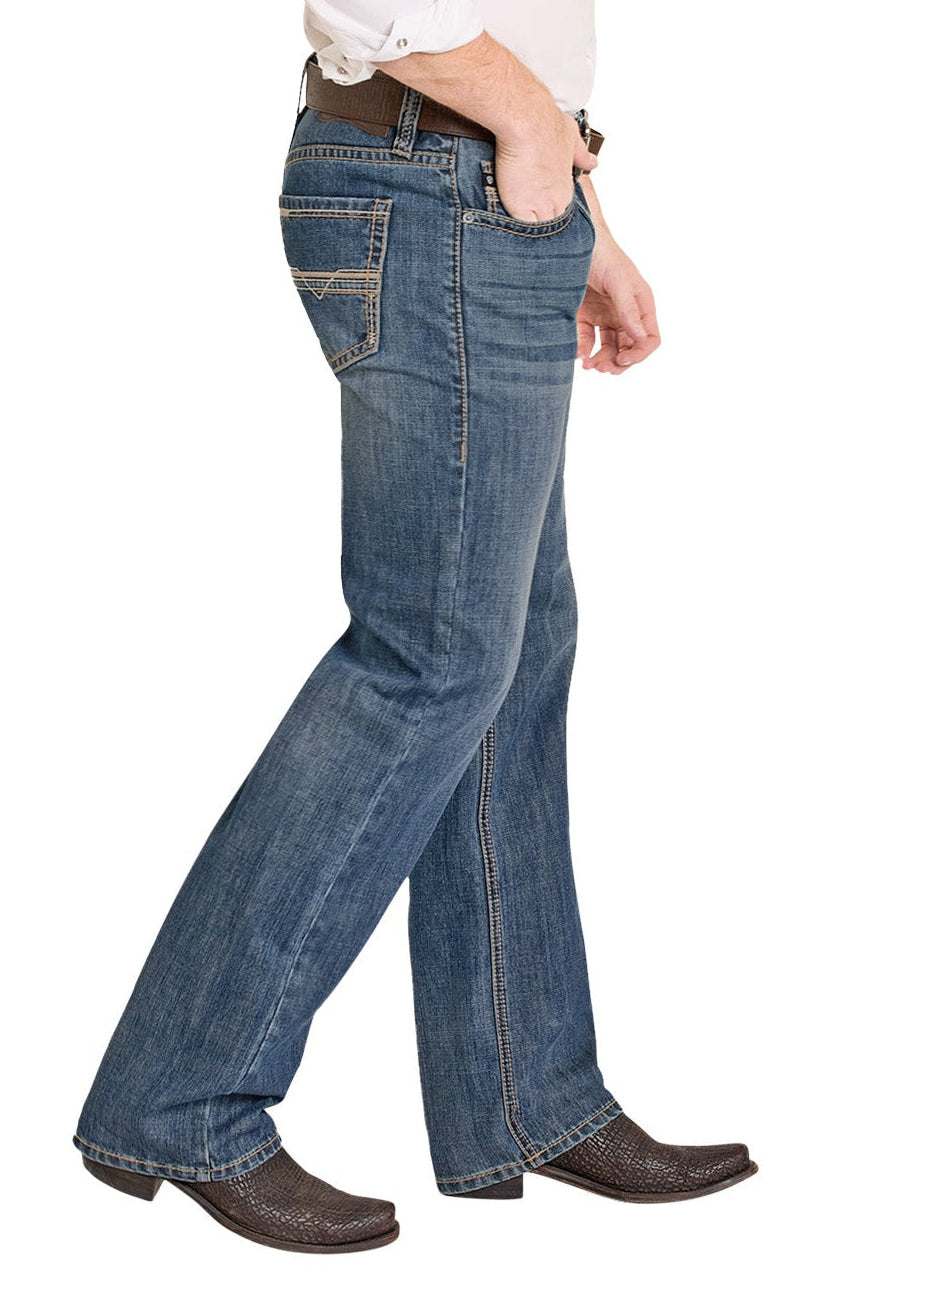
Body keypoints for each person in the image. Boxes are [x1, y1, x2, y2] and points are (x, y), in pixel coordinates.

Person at [72, 0, 757, 1254]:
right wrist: (530, 129)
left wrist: (585, 217)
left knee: (510, 648)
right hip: (438, 183)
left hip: (488, 187)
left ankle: (524, 1095)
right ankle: (177, 1095)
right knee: (431, 656)